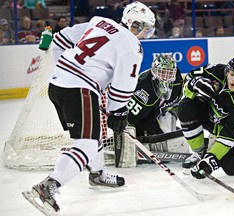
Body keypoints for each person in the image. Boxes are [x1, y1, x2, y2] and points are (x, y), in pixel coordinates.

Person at [22, 1, 155, 215]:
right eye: (144, 29)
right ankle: (48, 187)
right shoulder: (132, 44)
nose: (144, 35)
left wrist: (68, 71)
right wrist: (118, 110)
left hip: (58, 84)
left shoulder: (99, 21)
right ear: (135, 25)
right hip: (80, 89)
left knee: (91, 135)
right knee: (88, 143)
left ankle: (97, 173)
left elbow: (60, 40)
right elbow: (124, 84)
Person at [178, 54, 234, 179]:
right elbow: (188, 81)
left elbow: (232, 132)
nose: (233, 80)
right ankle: (199, 152)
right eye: (232, 74)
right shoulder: (215, 70)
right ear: (227, 71)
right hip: (213, 120)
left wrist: (212, 159)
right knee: (186, 106)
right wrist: (193, 85)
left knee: (232, 167)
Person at [127, 54, 183, 137]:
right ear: (154, 71)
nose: (166, 77)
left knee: (169, 124)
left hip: (160, 113)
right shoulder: (143, 87)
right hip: (143, 117)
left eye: (169, 72)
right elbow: (131, 118)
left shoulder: (177, 82)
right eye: (162, 72)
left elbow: (175, 104)